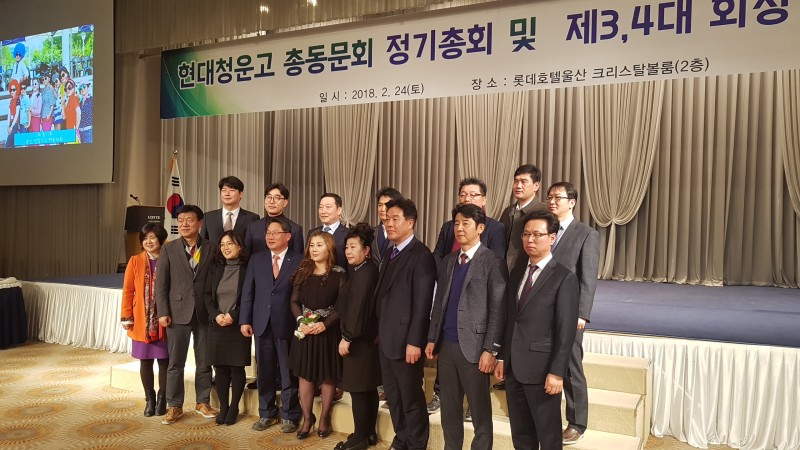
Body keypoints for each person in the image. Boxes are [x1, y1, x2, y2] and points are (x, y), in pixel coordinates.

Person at [493, 210, 579, 450]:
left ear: (552, 238)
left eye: (537, 234)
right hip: (514, 369)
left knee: (548, 437)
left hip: (543, 372)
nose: (530, 239)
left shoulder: (564, 278)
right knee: (521, 436)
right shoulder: (517, 273)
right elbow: (511, 320)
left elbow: (565, 332)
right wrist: (503, 357)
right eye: (526, 234)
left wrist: (557, 372)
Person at [425, 204, 506, 450]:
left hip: (475, 348)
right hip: (447, 346)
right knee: (449, 410)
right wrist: (432, 337)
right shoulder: (449, 260)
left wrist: (491, 349)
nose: (459, 228)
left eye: (466, 224)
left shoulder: (492, 261)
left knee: (480, 412)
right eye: (457, 223)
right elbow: (440, 302)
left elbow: (498, 309)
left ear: (480, 228)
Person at [375, 198, 436, 450]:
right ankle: (402, 440)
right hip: (386, 338)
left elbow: (423, 304)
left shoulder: (421, 255)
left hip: (406, 342)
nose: (388, 224)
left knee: (411, 398)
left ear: (410, 223)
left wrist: (414, 341)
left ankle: (417, 444)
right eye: (386, 219)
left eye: (395, 219)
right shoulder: (390, 252)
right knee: (394, 396)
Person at [546, 182, 600, 445]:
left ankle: (577, 422)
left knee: (570, 365)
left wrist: (582, 314)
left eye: (558, 197)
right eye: (550, 197)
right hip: (543, 308)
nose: (552, 201)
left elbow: (588, 278)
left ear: (572, 202)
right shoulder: (544, 229)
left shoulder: (586, 234)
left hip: (570, 312)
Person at [240, 217, 302, 433]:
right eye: (268, 233)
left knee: (287, 371)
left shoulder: (299, 260)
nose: (270, 237)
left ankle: (290, 414)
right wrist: (245, 320)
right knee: (264, 371)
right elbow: (248, 291)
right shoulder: (256, 259)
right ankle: (266, 413)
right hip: (261, 323)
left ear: (288, 236)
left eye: (275, 233)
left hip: (288, 323)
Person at [155, 204, 216, 425]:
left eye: (189, 220)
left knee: (204, 361)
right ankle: (174, 405)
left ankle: (203, 401)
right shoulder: (168, 249)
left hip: (204, 313)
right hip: (176, 312)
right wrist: (163, 311)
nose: (184, 224)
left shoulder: (212, 247)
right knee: (175, 363)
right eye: (180, 221)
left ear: (200, 223)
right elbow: (161, 284)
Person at [289, 231, 346, 440]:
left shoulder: (339, 273)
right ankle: (307, 418)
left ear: (329, 248)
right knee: (305, 376)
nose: (314, 249)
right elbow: (294, 301)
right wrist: (301, 321)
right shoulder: (302, 271)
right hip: (305, 331)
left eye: (319, 245)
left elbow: (342, 306)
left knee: (327, 375)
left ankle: (324, 418)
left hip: (327, 332)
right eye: (311, 245)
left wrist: (325, 324)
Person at [334, 223, 381, 450]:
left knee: (359, 390)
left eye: (353, 247)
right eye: (347, 247)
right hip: (367, 341)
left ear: (367, 250)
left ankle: (359, 438)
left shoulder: (365, 274)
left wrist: (347, 337)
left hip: (359, 342)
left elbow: (358, 310)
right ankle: (368, 433)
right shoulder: (365, 270)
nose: (348, 251)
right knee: (368, 389)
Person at [120, 223, 170, 417]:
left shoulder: (169, 258)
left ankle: (163, 398)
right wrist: (127, 316)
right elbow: (128, 291)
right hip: (142, 320)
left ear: (161, 239)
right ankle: (150, 399)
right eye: (145, 238)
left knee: (164, 361)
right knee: (145, 361)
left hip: (165, 319)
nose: (148, 241)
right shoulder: (135, 261)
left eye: (152, 237)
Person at [203, 230, 251, 425]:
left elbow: (251, 296)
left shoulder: (248, 267)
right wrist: (216, 315)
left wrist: (234, 315)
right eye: (222, 244)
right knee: (220, 368)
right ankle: (223, 406)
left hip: (238, 324)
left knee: (237, 368)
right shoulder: (215, 266)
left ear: (239, 246)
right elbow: (207, 294)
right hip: (217, 324)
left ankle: (234, 407)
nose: (225, 248)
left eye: (230, 243)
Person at [500, 164, 548, 273]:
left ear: (536, 185)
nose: (518, 186)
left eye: (524, 182)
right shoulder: (508, 211)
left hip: (530, 271)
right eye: (516, 181)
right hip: (503, 270)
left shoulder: (544, 211)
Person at [244, 182, 304, 255]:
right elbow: (246, 256)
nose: (271, 201)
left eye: (277, 198)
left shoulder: (295, 229)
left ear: (285, 202)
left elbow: (298, 258)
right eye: (268, 197)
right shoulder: (252, 227)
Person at [201, 176, 259, 244]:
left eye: (231, 190)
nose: (227, 194)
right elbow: (203, 245)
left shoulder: (252, 218)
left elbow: (255, 244)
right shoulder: (208, 217)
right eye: (224, 190)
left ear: (240, 194)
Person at [308, 192, 350, 268]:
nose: (323, 211)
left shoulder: (348, 234)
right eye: (321, 207)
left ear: (339, 210)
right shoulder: (312, 233)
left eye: (328, 207)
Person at [372, 187, 403, 266]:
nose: (382, 209)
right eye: (380, 205)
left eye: (387, 205)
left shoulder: (406, 233)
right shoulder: (372, 232)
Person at [5, 79, 20, 148]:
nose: (12, 91)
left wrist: (11, 126)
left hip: (15, 125)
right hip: (11, 124)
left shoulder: (18, 99)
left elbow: (17, 114)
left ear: (16, 90)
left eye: (14, 90)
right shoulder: (11, 101)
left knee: (7, 145)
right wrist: (8, 126)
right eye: (11, 90)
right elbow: (9, 113)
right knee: (12, 145)